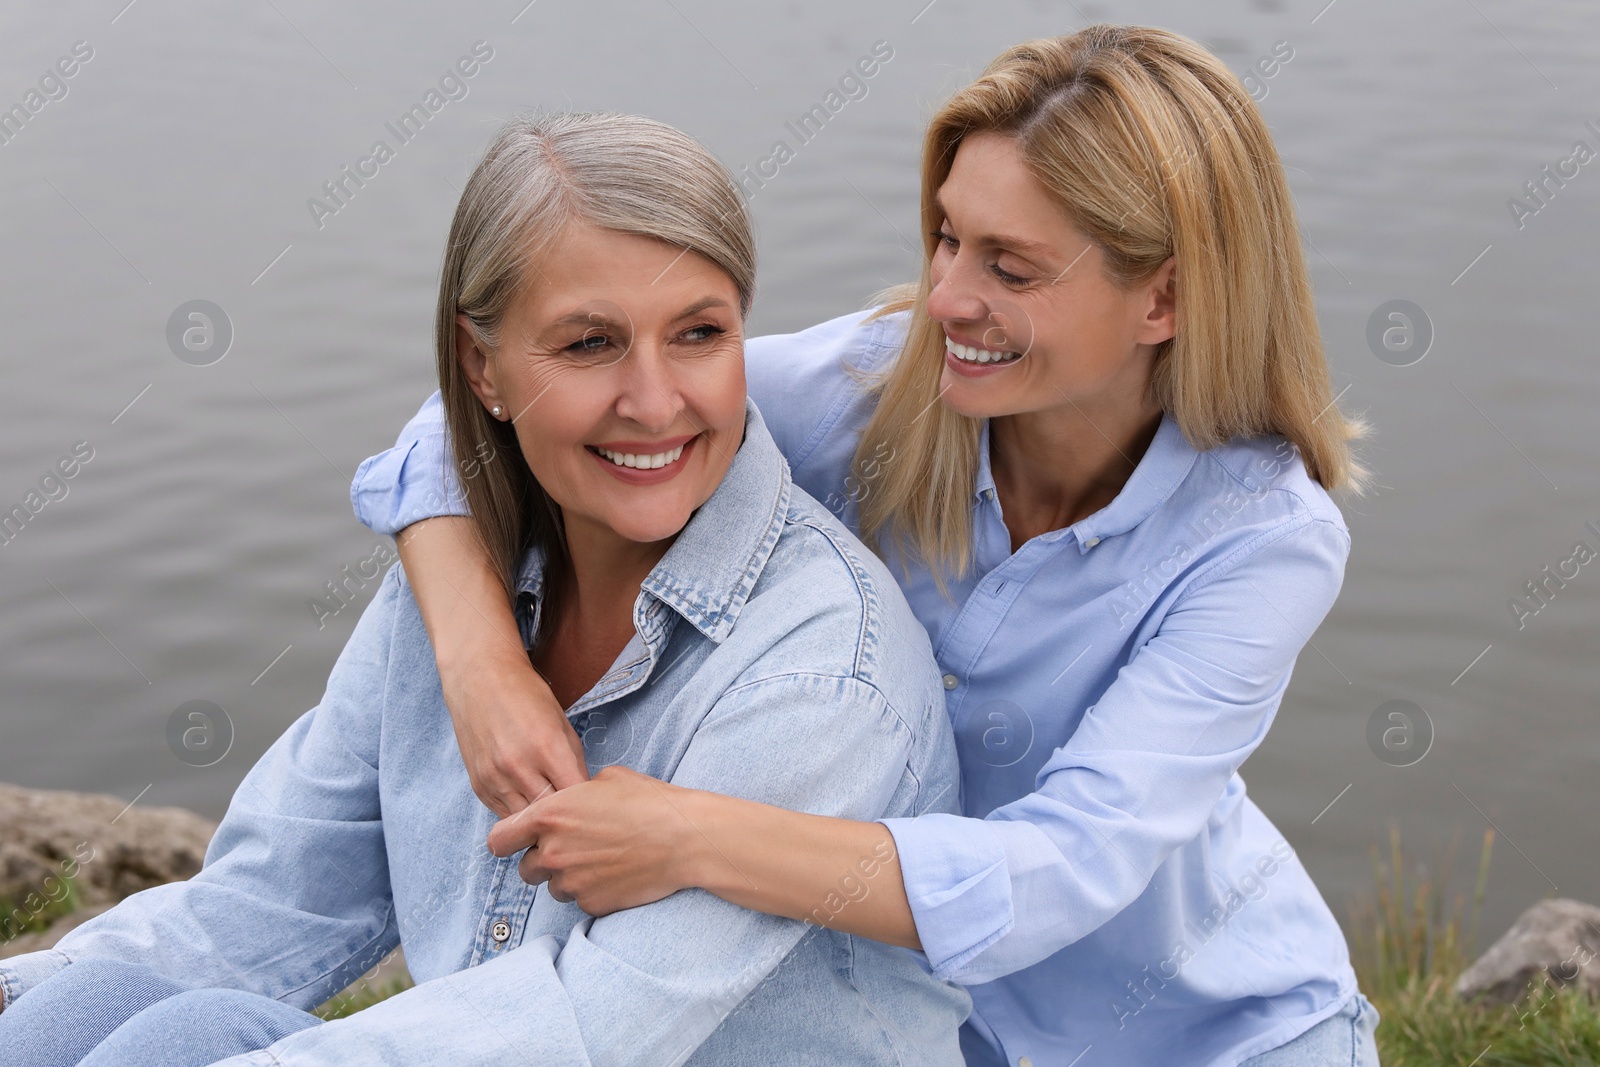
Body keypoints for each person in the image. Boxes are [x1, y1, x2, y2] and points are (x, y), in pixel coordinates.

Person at [348, 25, 1385, 1067]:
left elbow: (1064, 868)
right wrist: (481, 662)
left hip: (1219, 1032)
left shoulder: (1261, 538)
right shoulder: (872, 392)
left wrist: (690, 834)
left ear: (1161, 296)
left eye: (1010, 268)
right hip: (931, 1030)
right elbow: (482, 424)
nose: (944, 301)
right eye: (947, 238)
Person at [0, 111, 970, 1067]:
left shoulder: (817, 671)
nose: (654, 399)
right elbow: (264, 904)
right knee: (98, 1004)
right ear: (482, 367)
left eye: (699, 334)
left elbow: (582, 1029)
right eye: (589, 343)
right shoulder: (454, 593)